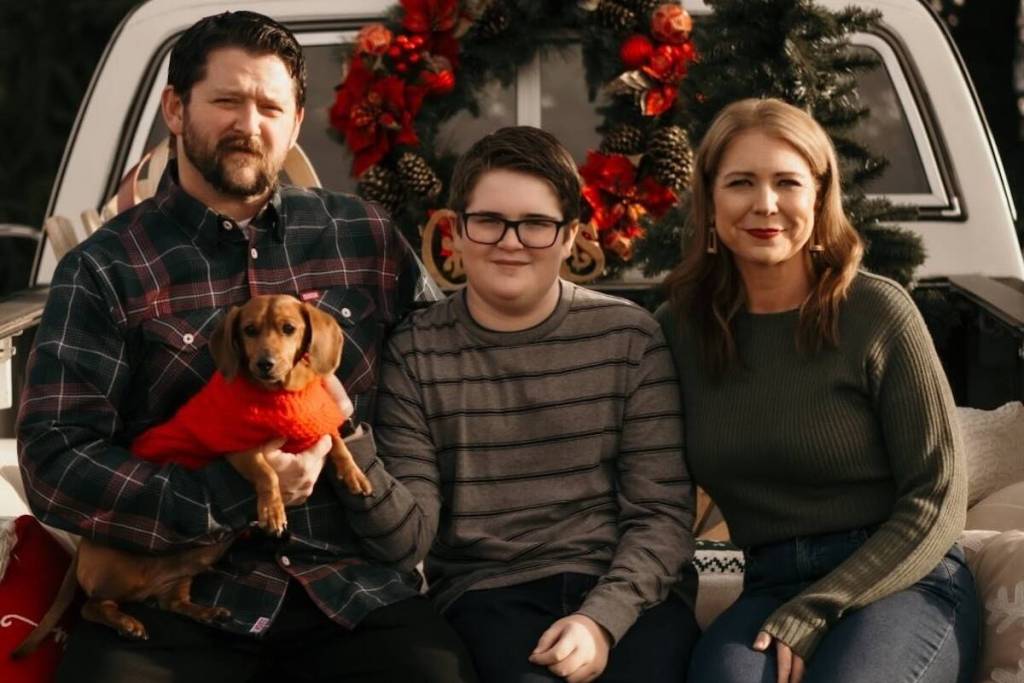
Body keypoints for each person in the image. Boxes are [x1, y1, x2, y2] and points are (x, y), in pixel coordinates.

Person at [16, 11, 477, 683]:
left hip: (349, 589)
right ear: (176, 109)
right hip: (173, 589)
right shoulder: (107, 266)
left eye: (270, 107)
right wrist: (225, 493)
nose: (249, 124)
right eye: (227, 101)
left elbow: (444, 387)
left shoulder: (367, 238)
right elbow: (55, 460)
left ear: (296, 122)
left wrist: (387, 493)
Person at [347, 125, 700, 683]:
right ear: (455, 233)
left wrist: (600, 621)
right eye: (488, 221)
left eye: (536, 223)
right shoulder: (416, 351)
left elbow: (661, 515)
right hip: (487, 596)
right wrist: (349, 444)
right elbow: (407, 538)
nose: (510, 242)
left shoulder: (629, 337)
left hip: (629, 593)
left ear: (570, 236)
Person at [655, 97, 979, 683]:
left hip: (902, 579)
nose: (765, 204)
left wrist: (821, 606)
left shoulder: (875, 312)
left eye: (787, 182)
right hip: (770, 584)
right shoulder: (680, 329)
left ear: (820, 195)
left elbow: (939, 496)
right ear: (709, 199)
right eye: (741, 182)